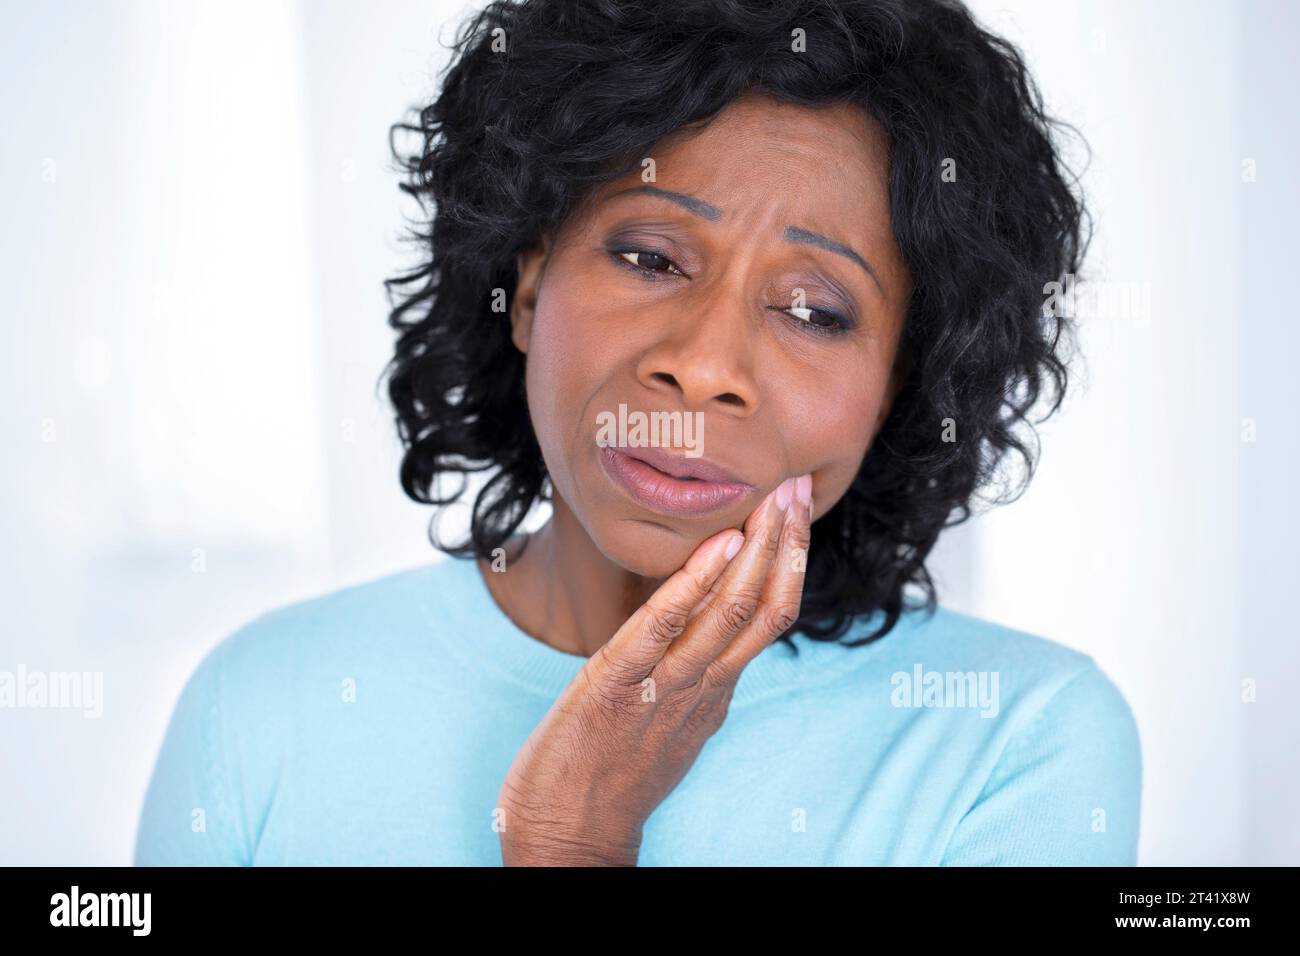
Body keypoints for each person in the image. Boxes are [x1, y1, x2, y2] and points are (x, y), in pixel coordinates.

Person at [135, 0, 1141, 866]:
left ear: (896, 391)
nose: (702, 365)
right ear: (527, 287)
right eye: (651, 256)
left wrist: (573, 839)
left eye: (813, 310)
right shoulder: (261, 704)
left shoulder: (1015, 738)